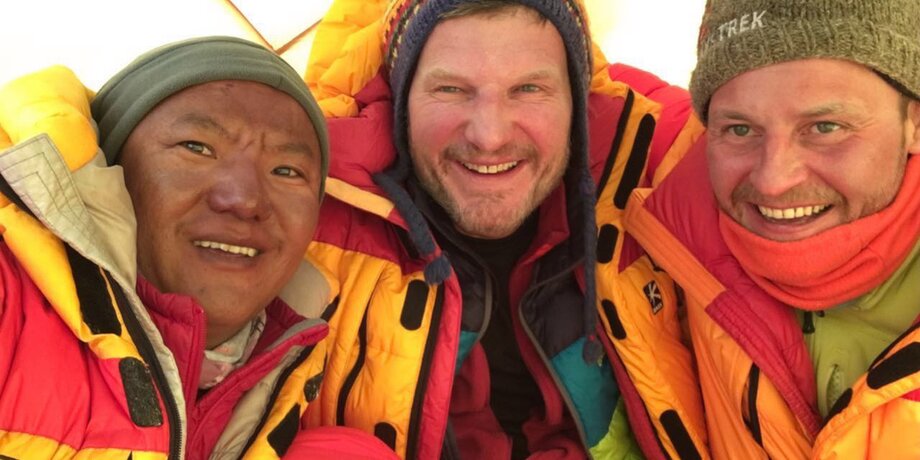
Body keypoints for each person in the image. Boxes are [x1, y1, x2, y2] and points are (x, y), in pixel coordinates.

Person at [302, 0, 708, 458]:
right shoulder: (301, 205)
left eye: (528, 88)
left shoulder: (653, 156)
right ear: (402, 101)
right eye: (451, 89)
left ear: (577, 102)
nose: (490, 136)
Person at [0, 36, 396, 459]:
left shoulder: (283, 405)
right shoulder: (14, 297)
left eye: (287, 171)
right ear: (113, 169)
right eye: (197, 148)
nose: (245, 199)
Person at [623, 0, 920, 458]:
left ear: (914, 123)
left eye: (825, 127)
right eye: (740, 130)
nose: (773, 181)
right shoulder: (673, 218)